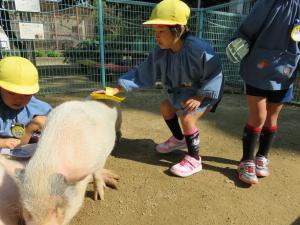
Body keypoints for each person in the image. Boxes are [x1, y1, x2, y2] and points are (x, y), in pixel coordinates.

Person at [94, 0, 224, 177]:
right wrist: (116, 89)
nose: (157, 36)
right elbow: (143, 71)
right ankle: (179, 139)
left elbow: (215, 73)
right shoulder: (160, 51)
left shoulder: (199, 49)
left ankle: (195, 159)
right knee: (165, 107)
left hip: (206, 92)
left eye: (161, 31)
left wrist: (200, 97)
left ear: (179, 29)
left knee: (187, 119)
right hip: (184, 92)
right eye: (154, 31)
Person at [226, 0, 300, 184]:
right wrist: (238, 41)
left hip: (287, 68)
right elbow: (248, 28)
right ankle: (246, 160)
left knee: (272, 117)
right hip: (259, 66)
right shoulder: (267, 2)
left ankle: (261, 156)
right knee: (258, 116)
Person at [0, 56, 52, 153]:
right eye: (12, 93)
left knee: (41, 121)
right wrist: (2, 142)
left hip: (24, 149)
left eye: (26, 94)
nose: (19, 99)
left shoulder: (39, 108)